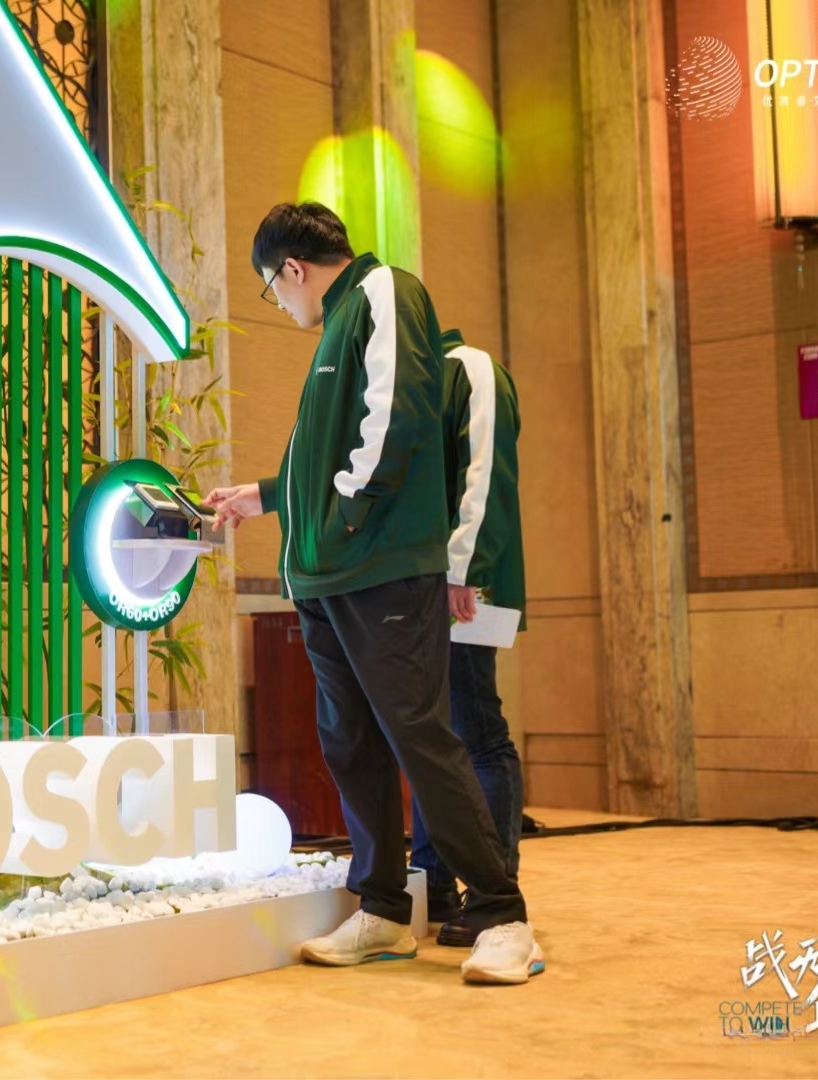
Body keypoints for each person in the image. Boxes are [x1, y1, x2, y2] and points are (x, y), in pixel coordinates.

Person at [205, 203, 542, 985]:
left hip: (380, 570)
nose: (279, 304)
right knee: (351, 743)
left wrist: (349, 519)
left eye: (271, 288)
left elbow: (397, 414)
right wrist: (264, 497)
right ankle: (384, 911)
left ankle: (502, 915)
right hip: (326, 579)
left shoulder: (381, 290)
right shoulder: (335, 333)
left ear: (292, 268)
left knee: (421, 737)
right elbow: (325, 455)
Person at [411, 328, 528, 949]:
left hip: (464, 584)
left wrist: (463, 571)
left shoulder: (468, 367)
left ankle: (494, 890)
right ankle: (431, 882)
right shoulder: (406, 379)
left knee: (476, 728)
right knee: (429, 735)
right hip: (419, 587)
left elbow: (485, 476)